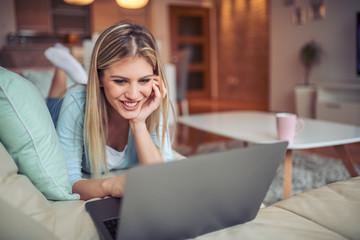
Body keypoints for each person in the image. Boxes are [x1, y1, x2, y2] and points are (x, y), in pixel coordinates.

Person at [44, 21, 174, 201]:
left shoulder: (152, 102)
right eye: (120, 81)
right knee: (52, 105)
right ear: (99, 77)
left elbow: (162, 175)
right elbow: (67, 181)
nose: (134, 95)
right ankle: (63, 66)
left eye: (144, 80)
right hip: (64, 111)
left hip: (101, 93)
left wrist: (138, 123)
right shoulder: (75, 103)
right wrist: (111, 185)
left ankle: (85, 77)